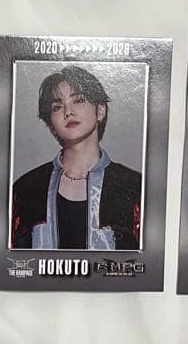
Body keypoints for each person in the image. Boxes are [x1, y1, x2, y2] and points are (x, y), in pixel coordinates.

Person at [10, 65, 142, 250]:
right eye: (57, 107)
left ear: (100, 111)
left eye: (78, 100)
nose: (68, 112)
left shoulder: (133, 187)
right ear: (51, 124)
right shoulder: (26, 189)